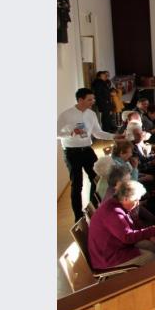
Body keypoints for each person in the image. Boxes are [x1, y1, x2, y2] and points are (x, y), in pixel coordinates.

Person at [57, 88, 119, 221]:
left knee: (98, 179)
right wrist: (71, 133)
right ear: (80, 100)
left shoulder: (91, 114)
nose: (93, 101)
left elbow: (97, 133)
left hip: (87, 149)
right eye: (90, 99)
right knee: (77, 184)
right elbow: (56, 133)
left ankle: (95, 209)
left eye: (93, 99)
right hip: (72, 152)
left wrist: (115, 136)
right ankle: (78, 217)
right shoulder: (66, 115)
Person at [88, 180, 155, 269]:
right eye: (136, 200)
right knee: (150, 257)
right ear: (125, 199)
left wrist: (149, 236)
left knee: (152, 246)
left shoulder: (117, 203)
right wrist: (154, 229)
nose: (138, 203)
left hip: (116, 245)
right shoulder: (113, 213)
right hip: (108, 257)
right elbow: (127, 237)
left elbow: (132, 225)